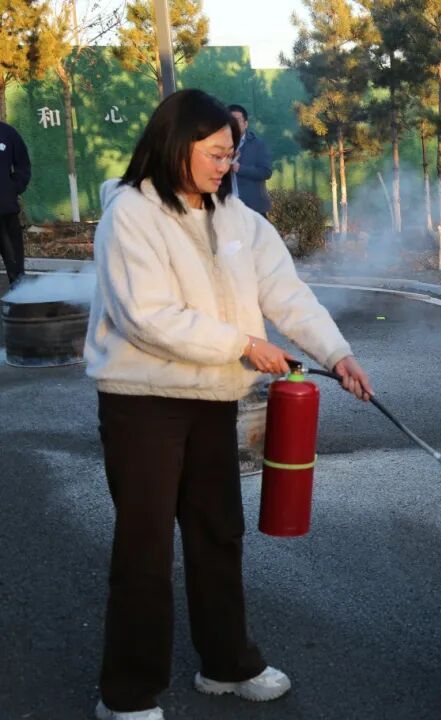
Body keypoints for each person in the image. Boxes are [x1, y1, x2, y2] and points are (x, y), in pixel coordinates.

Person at [85, 89, 372, 720]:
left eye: (230, 154)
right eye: (215, 154)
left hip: (214, 399)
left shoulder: (238, 219)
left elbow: (287, 293)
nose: (226, 166)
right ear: (175, 145)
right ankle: (126, 694)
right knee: (145, 548)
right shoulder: (130, 215)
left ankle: (226, 663)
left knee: (219, 535)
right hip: (143, 404)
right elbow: (147, 318)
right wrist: (243, 344)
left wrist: (337, 352)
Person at [226, 104, 273, 216]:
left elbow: (266, 172)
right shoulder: (221, 146)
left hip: (253, 208)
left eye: (237, 120)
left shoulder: (258, 144)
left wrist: (240, 168)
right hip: (228, 208)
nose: (233, 124)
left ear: (246, 124)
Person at [0, 120, 31, 286]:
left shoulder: (8, 133)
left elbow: (23, 165)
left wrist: (13, 188)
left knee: (16, 272)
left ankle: (20, 306)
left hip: (5, 211)